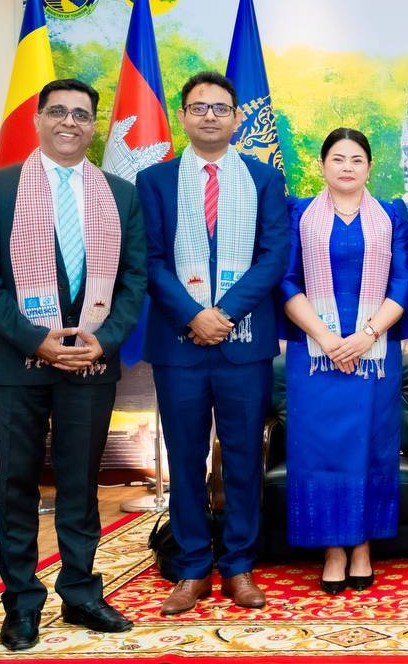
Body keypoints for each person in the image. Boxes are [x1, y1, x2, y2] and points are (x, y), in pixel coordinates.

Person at [0, 79, 146, 649]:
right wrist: (35, 339)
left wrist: (104, 341)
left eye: (82, 115)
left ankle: (82, 593)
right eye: (59, 111)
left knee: (79, 482)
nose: (70, 122)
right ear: (38, 119)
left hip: (91, 362)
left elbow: (133, 280)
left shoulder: (121, 195)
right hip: (17, 363)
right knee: (17, 484)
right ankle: (21, 604)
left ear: (94, 127)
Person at [137, 71, 291, 615]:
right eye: (199, 107)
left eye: (220, 107)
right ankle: (192, 568)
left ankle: (240, 566)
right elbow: (150, 260)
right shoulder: (154, 181)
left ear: (236, 117)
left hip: (243, 345)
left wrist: (221, 314)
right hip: (178, 346)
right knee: (184, 459)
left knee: (244, 458)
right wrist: (193, 315)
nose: (209, 116)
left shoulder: (265, 179)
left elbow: (274, 256)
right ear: (182, 116)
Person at [281, 128, 408, 594]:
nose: (347, 167)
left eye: (356, 159)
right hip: (313, 357)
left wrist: (365, 336)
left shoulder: (391, 215)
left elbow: (404, 281)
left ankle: (362, 545)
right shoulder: (299, 213)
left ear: (369, 167)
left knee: (373, 448)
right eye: (337, 158)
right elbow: (286, 280)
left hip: (374, 356)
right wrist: (325, 338)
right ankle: (333, 549)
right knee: (319, 451)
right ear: (322, 165)